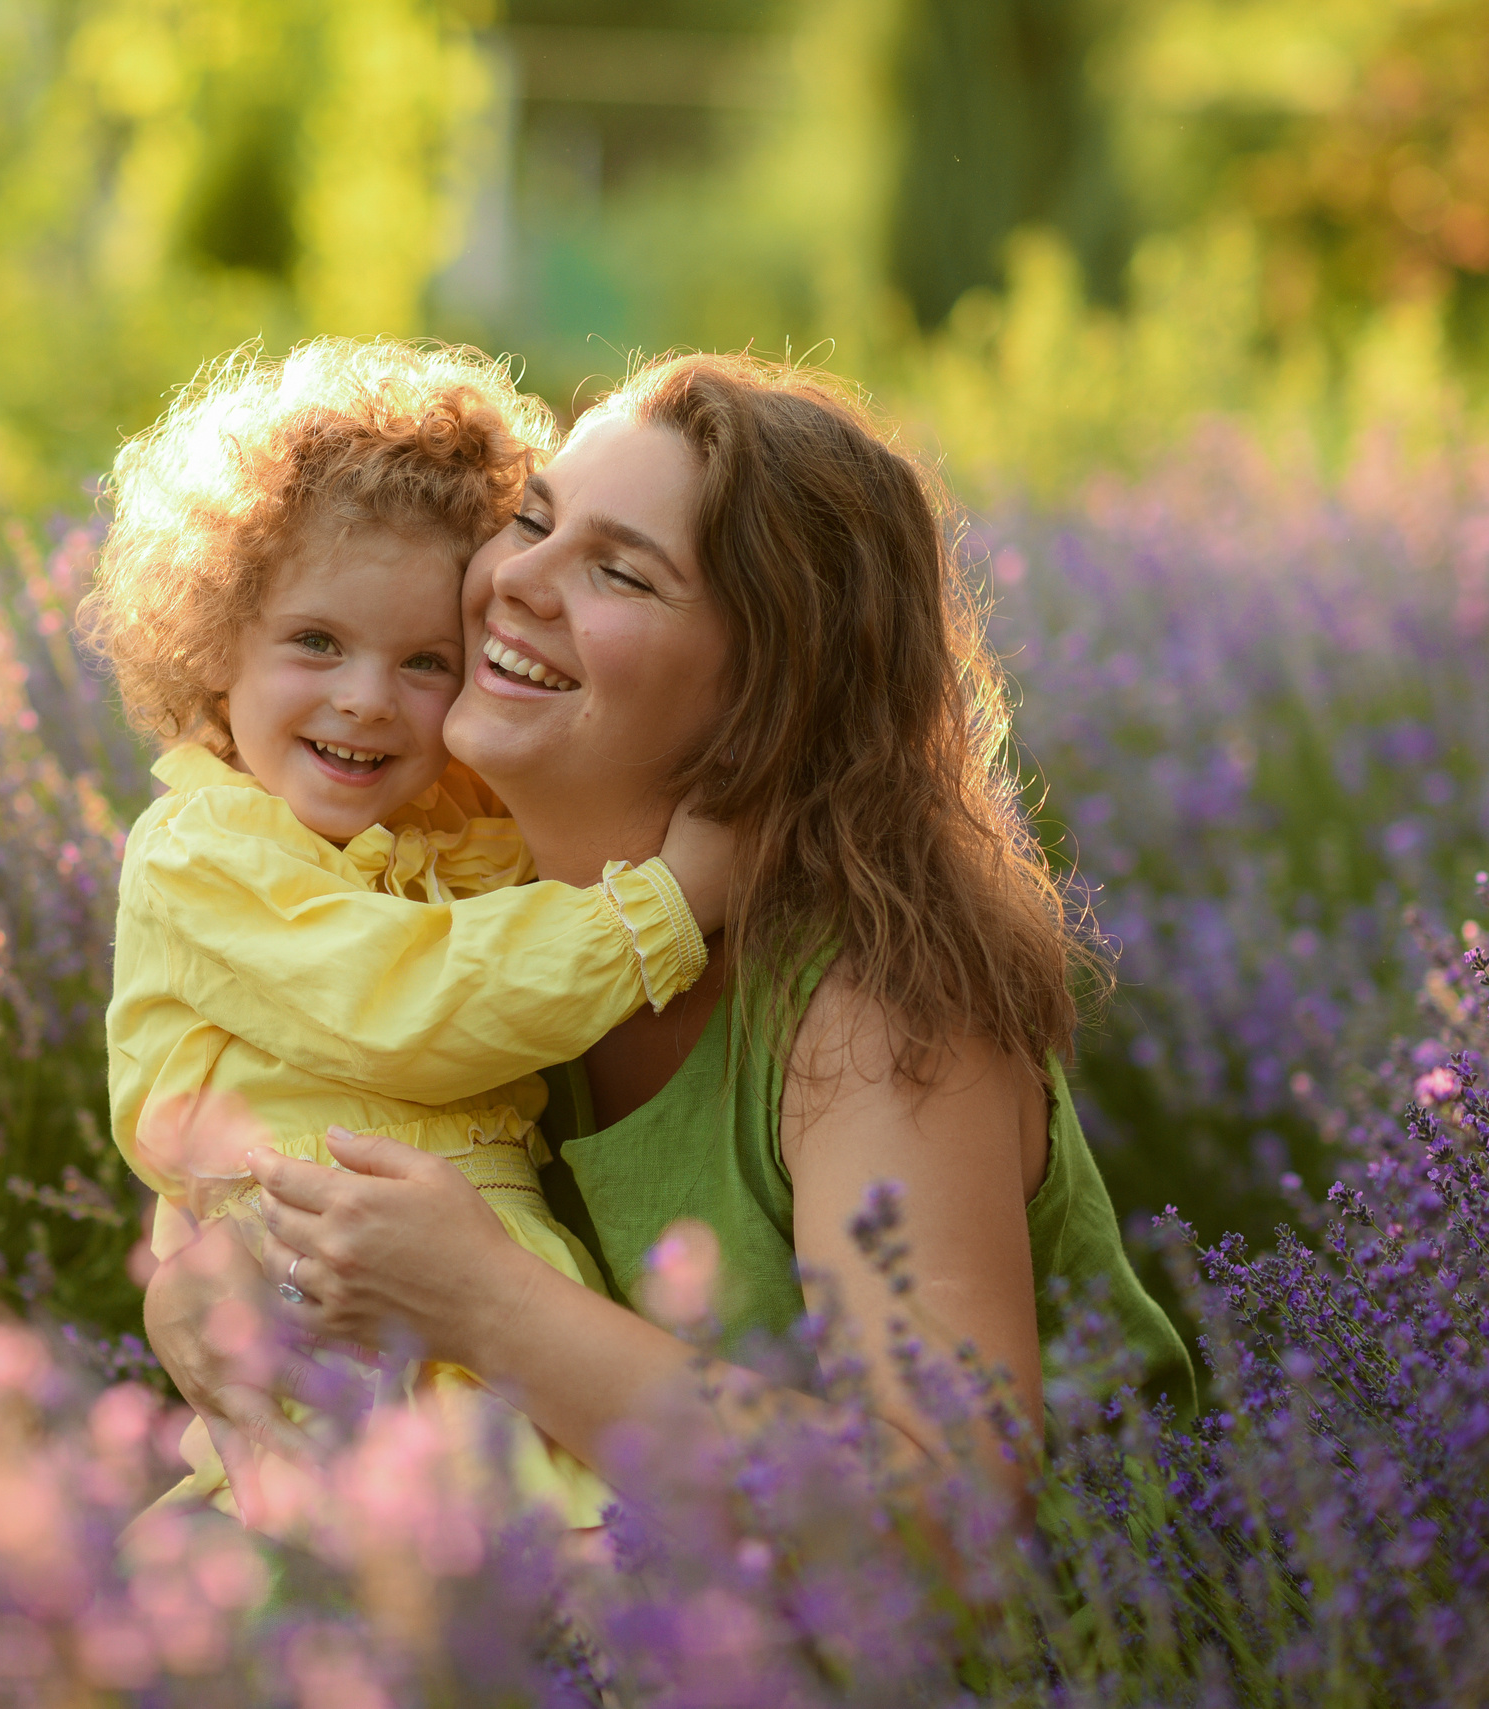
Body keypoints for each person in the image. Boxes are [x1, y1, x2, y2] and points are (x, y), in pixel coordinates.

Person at [143, 351, 1193, 1529]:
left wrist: (486, 1302)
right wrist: (209, 1271)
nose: (515, 579)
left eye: (620, 573)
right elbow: (275, 1108)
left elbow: (942, 1518)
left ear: (764, 695)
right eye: (534, 519)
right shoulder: (468, 913)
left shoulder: (869, 1007)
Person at [81, 338, 732, 1529]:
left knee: (565, 1556)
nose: (367, 698)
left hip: (489, 1305)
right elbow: (396, 1004)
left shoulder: (454, 823)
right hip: (331, 1319)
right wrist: (663, 907)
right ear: (215, 643)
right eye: (315, 642)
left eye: (426, 661)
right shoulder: (202, 853)